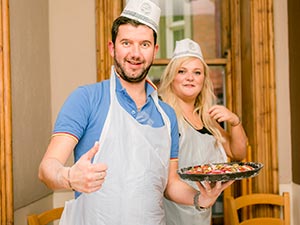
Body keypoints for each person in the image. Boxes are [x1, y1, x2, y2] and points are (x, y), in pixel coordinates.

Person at [158, 38, 248, 225]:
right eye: (182, 71)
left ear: (203, 80)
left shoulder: (207, 119)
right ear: (171, 77)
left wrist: (235, 121)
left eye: (197, 72)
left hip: (202, 211)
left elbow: (239, 153)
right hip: (170, 210)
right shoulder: (163, 115)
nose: (190, 77)